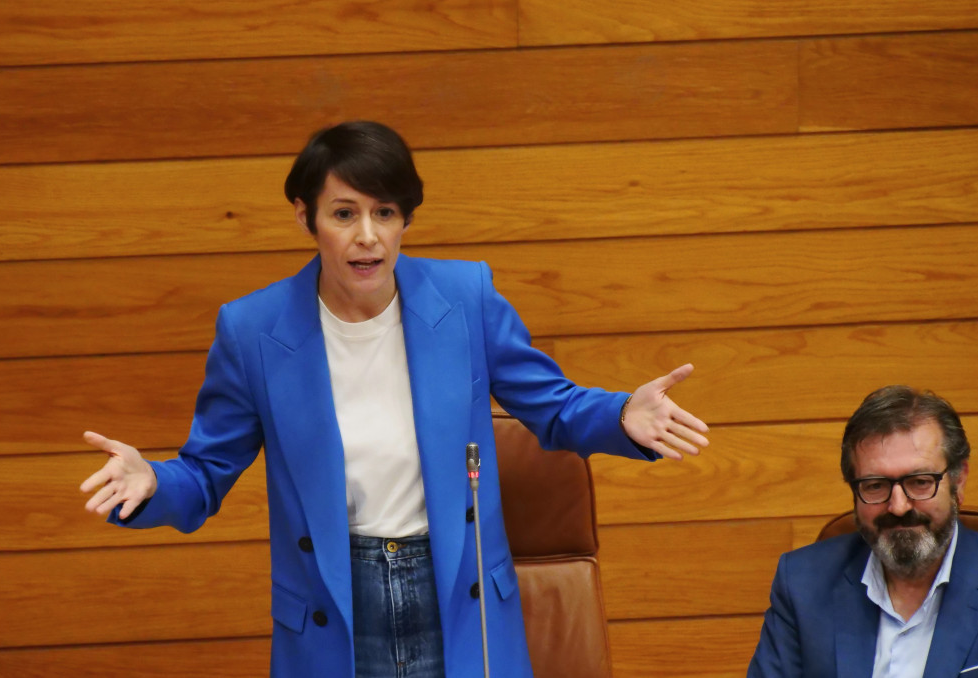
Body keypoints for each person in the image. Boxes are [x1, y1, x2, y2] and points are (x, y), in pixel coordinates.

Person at [79, 120, 710, 678]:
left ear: (406, 219)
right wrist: (156, 484)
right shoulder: (252, 330)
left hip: (455, 588)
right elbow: (207, 471)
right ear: (306, 218)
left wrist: (622, 415)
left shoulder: (466, 298)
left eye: (385, 213)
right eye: (344, 213)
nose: (368, 237)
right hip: (338, 598)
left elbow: (553, 406)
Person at [748, 385, 978, 678]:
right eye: (875, 486)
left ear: (958, 481)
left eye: (919, 482)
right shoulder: (802, 584)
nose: (899, 506)